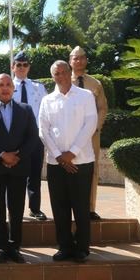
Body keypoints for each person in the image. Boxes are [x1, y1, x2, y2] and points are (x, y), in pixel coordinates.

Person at [0, 74, 39, 264]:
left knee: (17, 207)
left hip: (19, 167)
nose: (5, 88)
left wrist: (17, 157)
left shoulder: (25, 110)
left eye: (8, 85)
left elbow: (33, 137)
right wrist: (2, 154)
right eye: (1, 85)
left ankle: (14, 246)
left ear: (14, 88)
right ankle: (2, 247)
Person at [39, 60, 97, 263]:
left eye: (64, 72)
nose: (61, 76)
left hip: (81, 161)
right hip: (56, 164)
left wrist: (71, 153)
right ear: (52, 76)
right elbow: (43, 130)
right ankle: (64, 246)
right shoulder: (47, 100)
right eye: (57, 73)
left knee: (81, 207)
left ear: (70, 72)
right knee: (60, 207)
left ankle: (81, 248)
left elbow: (91, 124)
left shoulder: (85, 96)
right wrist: (59, 155)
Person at [69, 46, 108, 220]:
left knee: (92, 169)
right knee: (70, 168)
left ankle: (90, 208)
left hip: (92, 135)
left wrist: (95, 127)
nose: (78, 61)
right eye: (75, 58)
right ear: (70, 61)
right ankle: (71, 207)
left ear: (86, 60)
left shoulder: (95, 84)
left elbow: (102, 108)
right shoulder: (64, 81)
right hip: (70, 135)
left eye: (81, 58)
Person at [11, 51, 49, 221]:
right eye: (18, 64)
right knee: (15, 175)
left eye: (25, 64)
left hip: (35, 137)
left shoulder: (38, 87)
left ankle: (35, 208)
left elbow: (46, 110)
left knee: (35, 175)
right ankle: (13, 208)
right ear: (13, 67)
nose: (21, 67)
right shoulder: (7, 85)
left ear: (29, 67)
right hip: (15, 138)